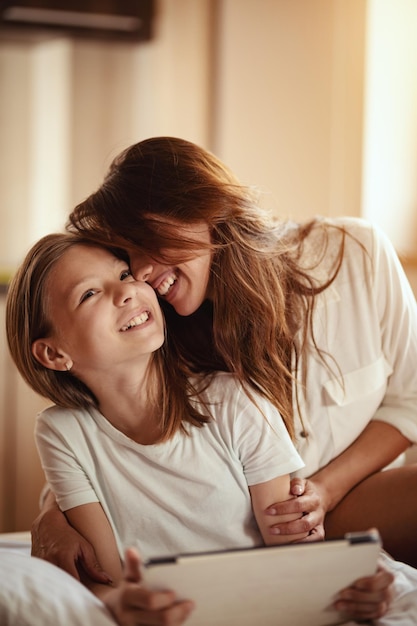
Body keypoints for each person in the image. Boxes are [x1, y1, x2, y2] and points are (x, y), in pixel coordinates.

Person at [6, 233, 322, 625]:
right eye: (89, 294)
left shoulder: (237, 401)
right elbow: (108, 575)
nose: (125, 293)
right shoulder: (61, 432)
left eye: (124, 274)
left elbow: (290, 549)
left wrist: (333, 591)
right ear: (54, 354)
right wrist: (123, 604)